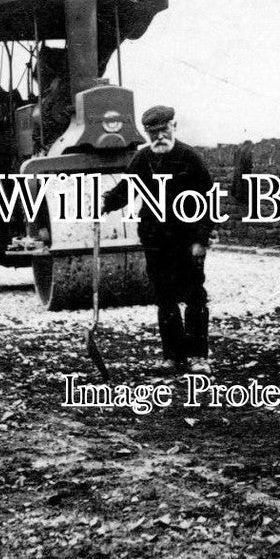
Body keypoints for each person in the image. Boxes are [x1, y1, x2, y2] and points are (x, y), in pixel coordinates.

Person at [102, 106, 214, 375]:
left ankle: (199, 356)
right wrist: (105, 202)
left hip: (187, 241)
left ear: (174, 126)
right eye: (153, 132)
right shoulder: (143, 159)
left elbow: (209, 200)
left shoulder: (190, 158)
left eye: (164, 130)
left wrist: (201, 239)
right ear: (146, 133)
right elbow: (127, 189)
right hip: (155, 241)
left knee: (194, 296)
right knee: (165, 298)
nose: (159, 136)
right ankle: (173, 357)